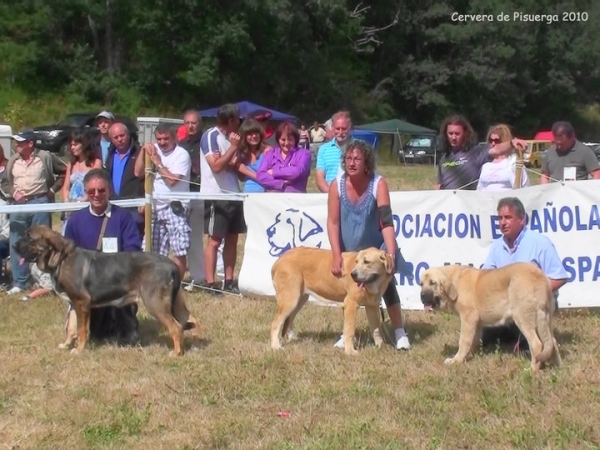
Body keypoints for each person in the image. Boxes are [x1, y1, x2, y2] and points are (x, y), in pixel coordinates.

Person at [327, 140, 411, 350]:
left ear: (366, 163)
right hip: (350, 248)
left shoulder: (379, 183)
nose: (351, 163)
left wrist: (390, 255)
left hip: (377, 246)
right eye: (348, 158)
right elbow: (333, 222)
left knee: (388, 287)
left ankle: (400, 333)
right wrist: (336, 255)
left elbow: (386, 221)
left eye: (357, 159)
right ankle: (346, 334)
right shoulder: (336, 185)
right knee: (350, 290)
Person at [65, 169, 142, 345]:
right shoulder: (75, 220)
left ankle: (126, 327)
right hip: (90, 288)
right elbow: (68, 255)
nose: (97, 195)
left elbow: (133, 249)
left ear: (109, 190)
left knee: (128, 339)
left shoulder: (123, 217)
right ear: (86, 193)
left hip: (119, 282)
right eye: (91, 191)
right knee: (99, 336)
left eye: (101, 190)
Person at [481, 197, 569, 349]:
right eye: (500, 218)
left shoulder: (540, 243)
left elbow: (559, 277)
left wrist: (531, 294)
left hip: (534, 303)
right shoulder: (497, 246)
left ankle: (535, 341)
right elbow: (486, 276)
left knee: (527, 348)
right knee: (487, 339)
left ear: (522, 219)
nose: (503, 222)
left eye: (508, 217)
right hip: (506, 305)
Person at [6, 130, 66, 295]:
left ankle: (46, 280)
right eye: (16, 142)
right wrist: (13, 192)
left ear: (30, 143)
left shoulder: (45, 157)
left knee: (42, 242)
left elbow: (64, 171)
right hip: (18, 205)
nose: (16, 145)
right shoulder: (13, 160)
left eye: (20, 142)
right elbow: (6, 181)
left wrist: (53, 190)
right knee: (17, 240)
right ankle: (20, 282)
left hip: (40, 202)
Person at [134, 123, 191, 279]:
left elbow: (173, 180)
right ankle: (153, 282)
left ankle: (177, 284)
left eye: (166, 139)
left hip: (175, 207)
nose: (162, 142)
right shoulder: (154, 150)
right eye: (159, 139)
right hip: (155, 207)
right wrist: (144, 151)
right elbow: (138, 172)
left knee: (179, 250)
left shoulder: (182, 154)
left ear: (174, 137)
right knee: (152, 249)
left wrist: (157, 162)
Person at [199, 103, 245, 294]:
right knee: (215, 240)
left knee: (232, 239)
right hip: (215, 195)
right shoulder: (211, 136)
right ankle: (211, 282)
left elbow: (231, 166)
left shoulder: (231, 139)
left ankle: (228, 280)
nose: (239, 123)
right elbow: (216, 166)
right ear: (231, 120)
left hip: (234, 193)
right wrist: (232, 149)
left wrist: (233, 153)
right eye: (238, 120)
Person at [437, 115, 527, 190]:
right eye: (450, 133)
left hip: (467, 206)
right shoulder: (444, 158)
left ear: (465, 133)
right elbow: (439, 185)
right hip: (448, 207)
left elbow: (497, 149)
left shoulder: (476, 152)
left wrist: (511, 143)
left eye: (457, 134)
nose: (453, 137)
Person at [105, 122, 145, 231]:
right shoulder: (110, 153)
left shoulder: (139, 152)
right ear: (111, 140)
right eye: (115, 137)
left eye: (122, 135)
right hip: (113, 204)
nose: (119, 139)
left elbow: (147, 179)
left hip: (133, 206)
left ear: (128, 135)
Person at [60, 129, 103, 228]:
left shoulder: (96, 163)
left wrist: (83, 201)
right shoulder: (71, 164)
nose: (72, 147)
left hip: (88, 205)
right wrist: (67, 203)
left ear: (84, 144)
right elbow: (65, 188)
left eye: (75, 144)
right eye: (71, 145)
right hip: (71, 208)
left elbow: (97, 186)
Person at [256, 122, 312, 192]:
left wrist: (274, 172)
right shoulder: (270, 154)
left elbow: (297, 171)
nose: (286, 143)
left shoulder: (304, 154)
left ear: (296, 139)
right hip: (272, 198)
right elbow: (260, 176)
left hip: (295, 198)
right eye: (283, 140)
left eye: (290, 140)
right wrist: (281, 183)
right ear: (278, 139)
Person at [476, 124, 530, 191]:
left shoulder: (514, 162)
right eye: (491, 140)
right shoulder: (485, 164)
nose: (493, 143)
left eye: (497, 140)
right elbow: (480, 189)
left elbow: (525, 188)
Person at [315, 111, 352, 193]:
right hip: (329, 196)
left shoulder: (359, 147)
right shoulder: (323, 149)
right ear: (332, 127)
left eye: (344, 128)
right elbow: (319, 177)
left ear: (349, 127)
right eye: (337, 128)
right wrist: (331, 195)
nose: (340, 132)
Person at [236, 118, 272, 193]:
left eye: (256, 133)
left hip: (265, 194)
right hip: (248, 194)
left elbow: (270, 178)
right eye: (250, 134)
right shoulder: (242, 154)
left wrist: (244, 170)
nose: (254, 136)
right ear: (244, 136)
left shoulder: (268, 150)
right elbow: (241, 178)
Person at [178, 110, 202, 192]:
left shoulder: (206, 142)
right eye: (187, 123)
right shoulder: (180, 145)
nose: (190, 126)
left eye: (194, 123)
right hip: (184, 188)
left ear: (200, 124)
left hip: (202, 188)